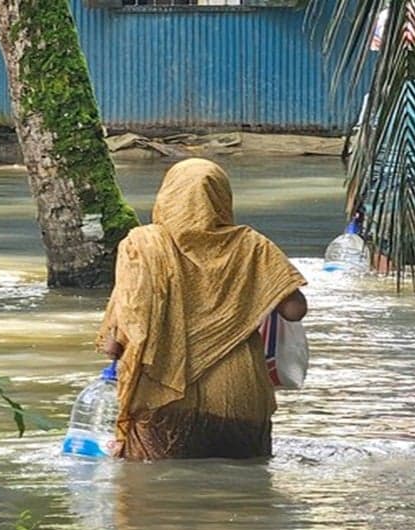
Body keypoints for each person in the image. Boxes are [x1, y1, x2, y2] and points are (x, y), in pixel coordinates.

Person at [96, 159, 307, 461]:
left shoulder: (143, 245)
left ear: (167, 195)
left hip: (162, 397)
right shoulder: (252, 245)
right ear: (222, 197)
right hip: (239, 394)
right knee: (245, 492)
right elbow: (295, 310)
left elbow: (122, 336)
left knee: (153, 498)